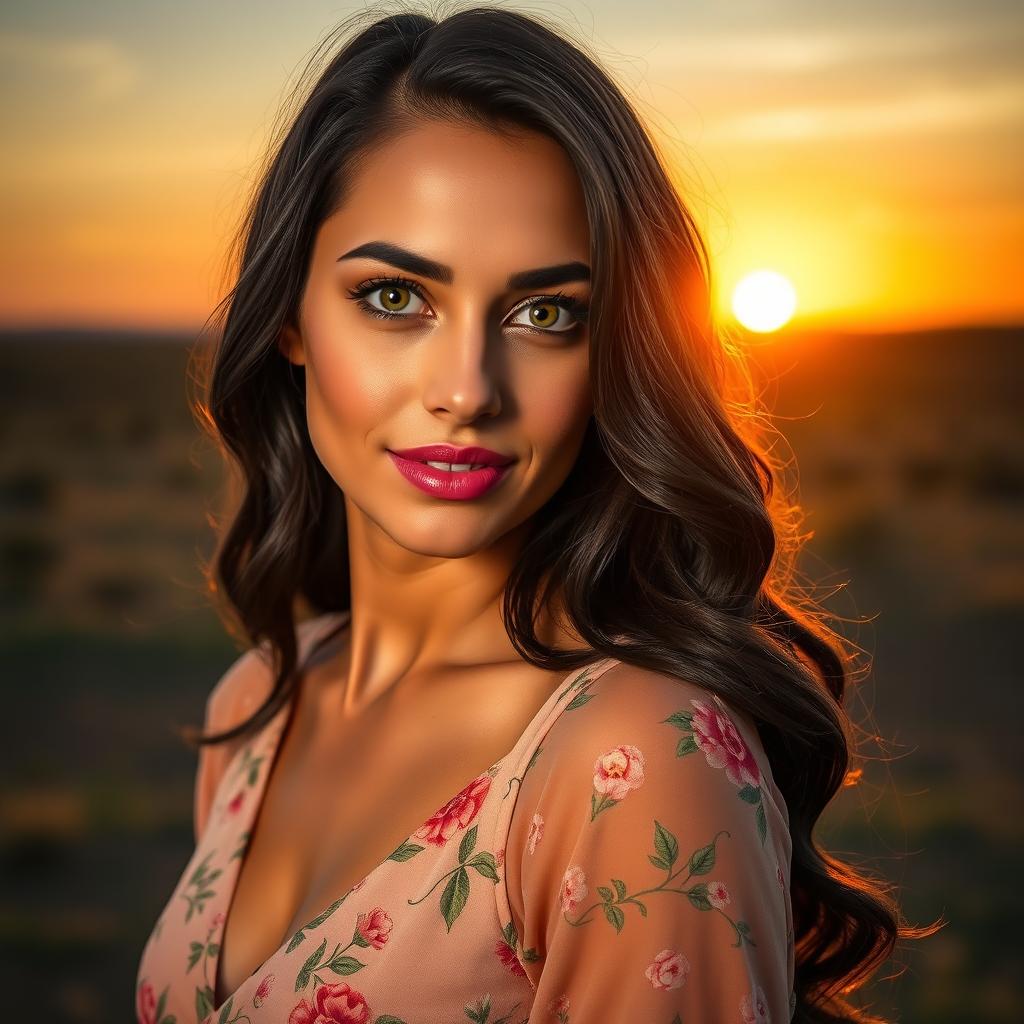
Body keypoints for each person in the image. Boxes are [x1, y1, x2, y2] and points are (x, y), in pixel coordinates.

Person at [135, 6, 928, 1023]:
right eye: (393, 297)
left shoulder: (635, 762)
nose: (466, 388)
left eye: (544, 313)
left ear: (615, 353)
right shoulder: (258, 704)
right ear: (289, 315)